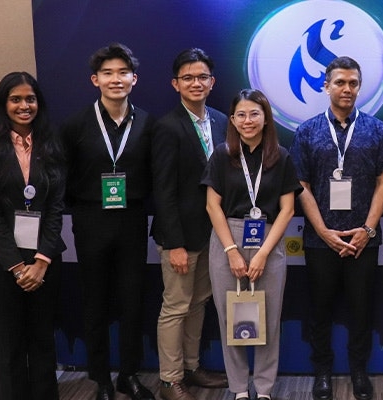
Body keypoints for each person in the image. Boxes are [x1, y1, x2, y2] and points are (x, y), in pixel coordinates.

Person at [290, 56, 383, 400]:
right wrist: (322, 232)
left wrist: (367, 228)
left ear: (359, 86)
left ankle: (359, 371)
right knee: (320, 310)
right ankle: (322, 372)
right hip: (322, 242)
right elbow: (300, 185)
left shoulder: (377, 129)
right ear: (326, 85)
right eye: (340, 83)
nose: (347, 89)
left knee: (362, 310)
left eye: (353, 83)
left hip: (363, 240)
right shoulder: (307, 131)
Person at [60, 43, 155, 400]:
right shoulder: (75, 124)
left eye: (122, 73)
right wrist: (81, 208)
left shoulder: (147, 123)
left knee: (133, 299)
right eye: (108, 73)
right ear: (95, 80)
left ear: (134, 78)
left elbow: (156, 175)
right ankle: (100, 377)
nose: (116, 79)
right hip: (90, 218)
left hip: (131, 217)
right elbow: (62, 174)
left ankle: (128, 374)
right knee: (94, 299)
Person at [204, 89, 301, 400]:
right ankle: (238, 388)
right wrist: (231, 250)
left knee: (269, 318)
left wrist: (262, 254)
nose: (248, 121)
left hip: (269, 240)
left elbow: (288, 209)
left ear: (265, 117)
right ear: (232, 119)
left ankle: (263, 389)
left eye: (254, 114)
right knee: (229, 315)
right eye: (241, 115)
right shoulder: (221, 154)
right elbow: (212, 206)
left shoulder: (281, 156)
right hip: (227, 239)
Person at [0, 72, 66, 400]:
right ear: (4, 104)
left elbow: (56, 208)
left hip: (45, 259)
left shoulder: (52, 144)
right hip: (1, 262)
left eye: (30, 99)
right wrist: (16, 266)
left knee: (42, 340)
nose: (24, 105)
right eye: (16, 99)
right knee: (10, 341)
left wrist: (41, 261)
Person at [151, 48, 228, 400]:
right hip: (180, 236)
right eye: (188, 78)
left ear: (211, 83)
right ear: (175, 84)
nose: (196, 83)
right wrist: (175, 242)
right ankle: (169, 379)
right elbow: (163, 190)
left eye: (202, 77)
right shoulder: (167, 127)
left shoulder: (221, 121)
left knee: (199, 303)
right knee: (176, 306)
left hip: (212, 233)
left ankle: (192, 368)